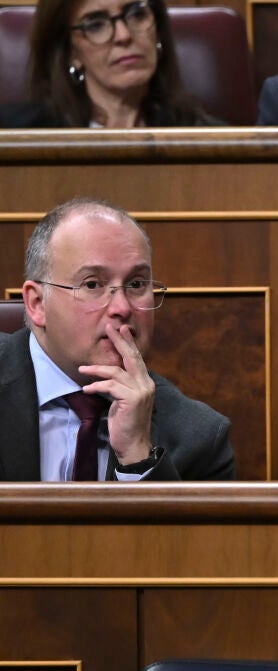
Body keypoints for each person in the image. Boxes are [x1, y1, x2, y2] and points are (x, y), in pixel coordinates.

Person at [0, 198, 234, 481]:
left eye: (136, 284)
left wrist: (137, 455)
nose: (122, 308)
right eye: (92, 284)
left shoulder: (199, 437)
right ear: (37, 303)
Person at [0, 0, 219, 127]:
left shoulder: (207, 137)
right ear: (71, 53)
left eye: (137, 14)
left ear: (158, 31)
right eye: (96, 25)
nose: (124, 35)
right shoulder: (15, 136)